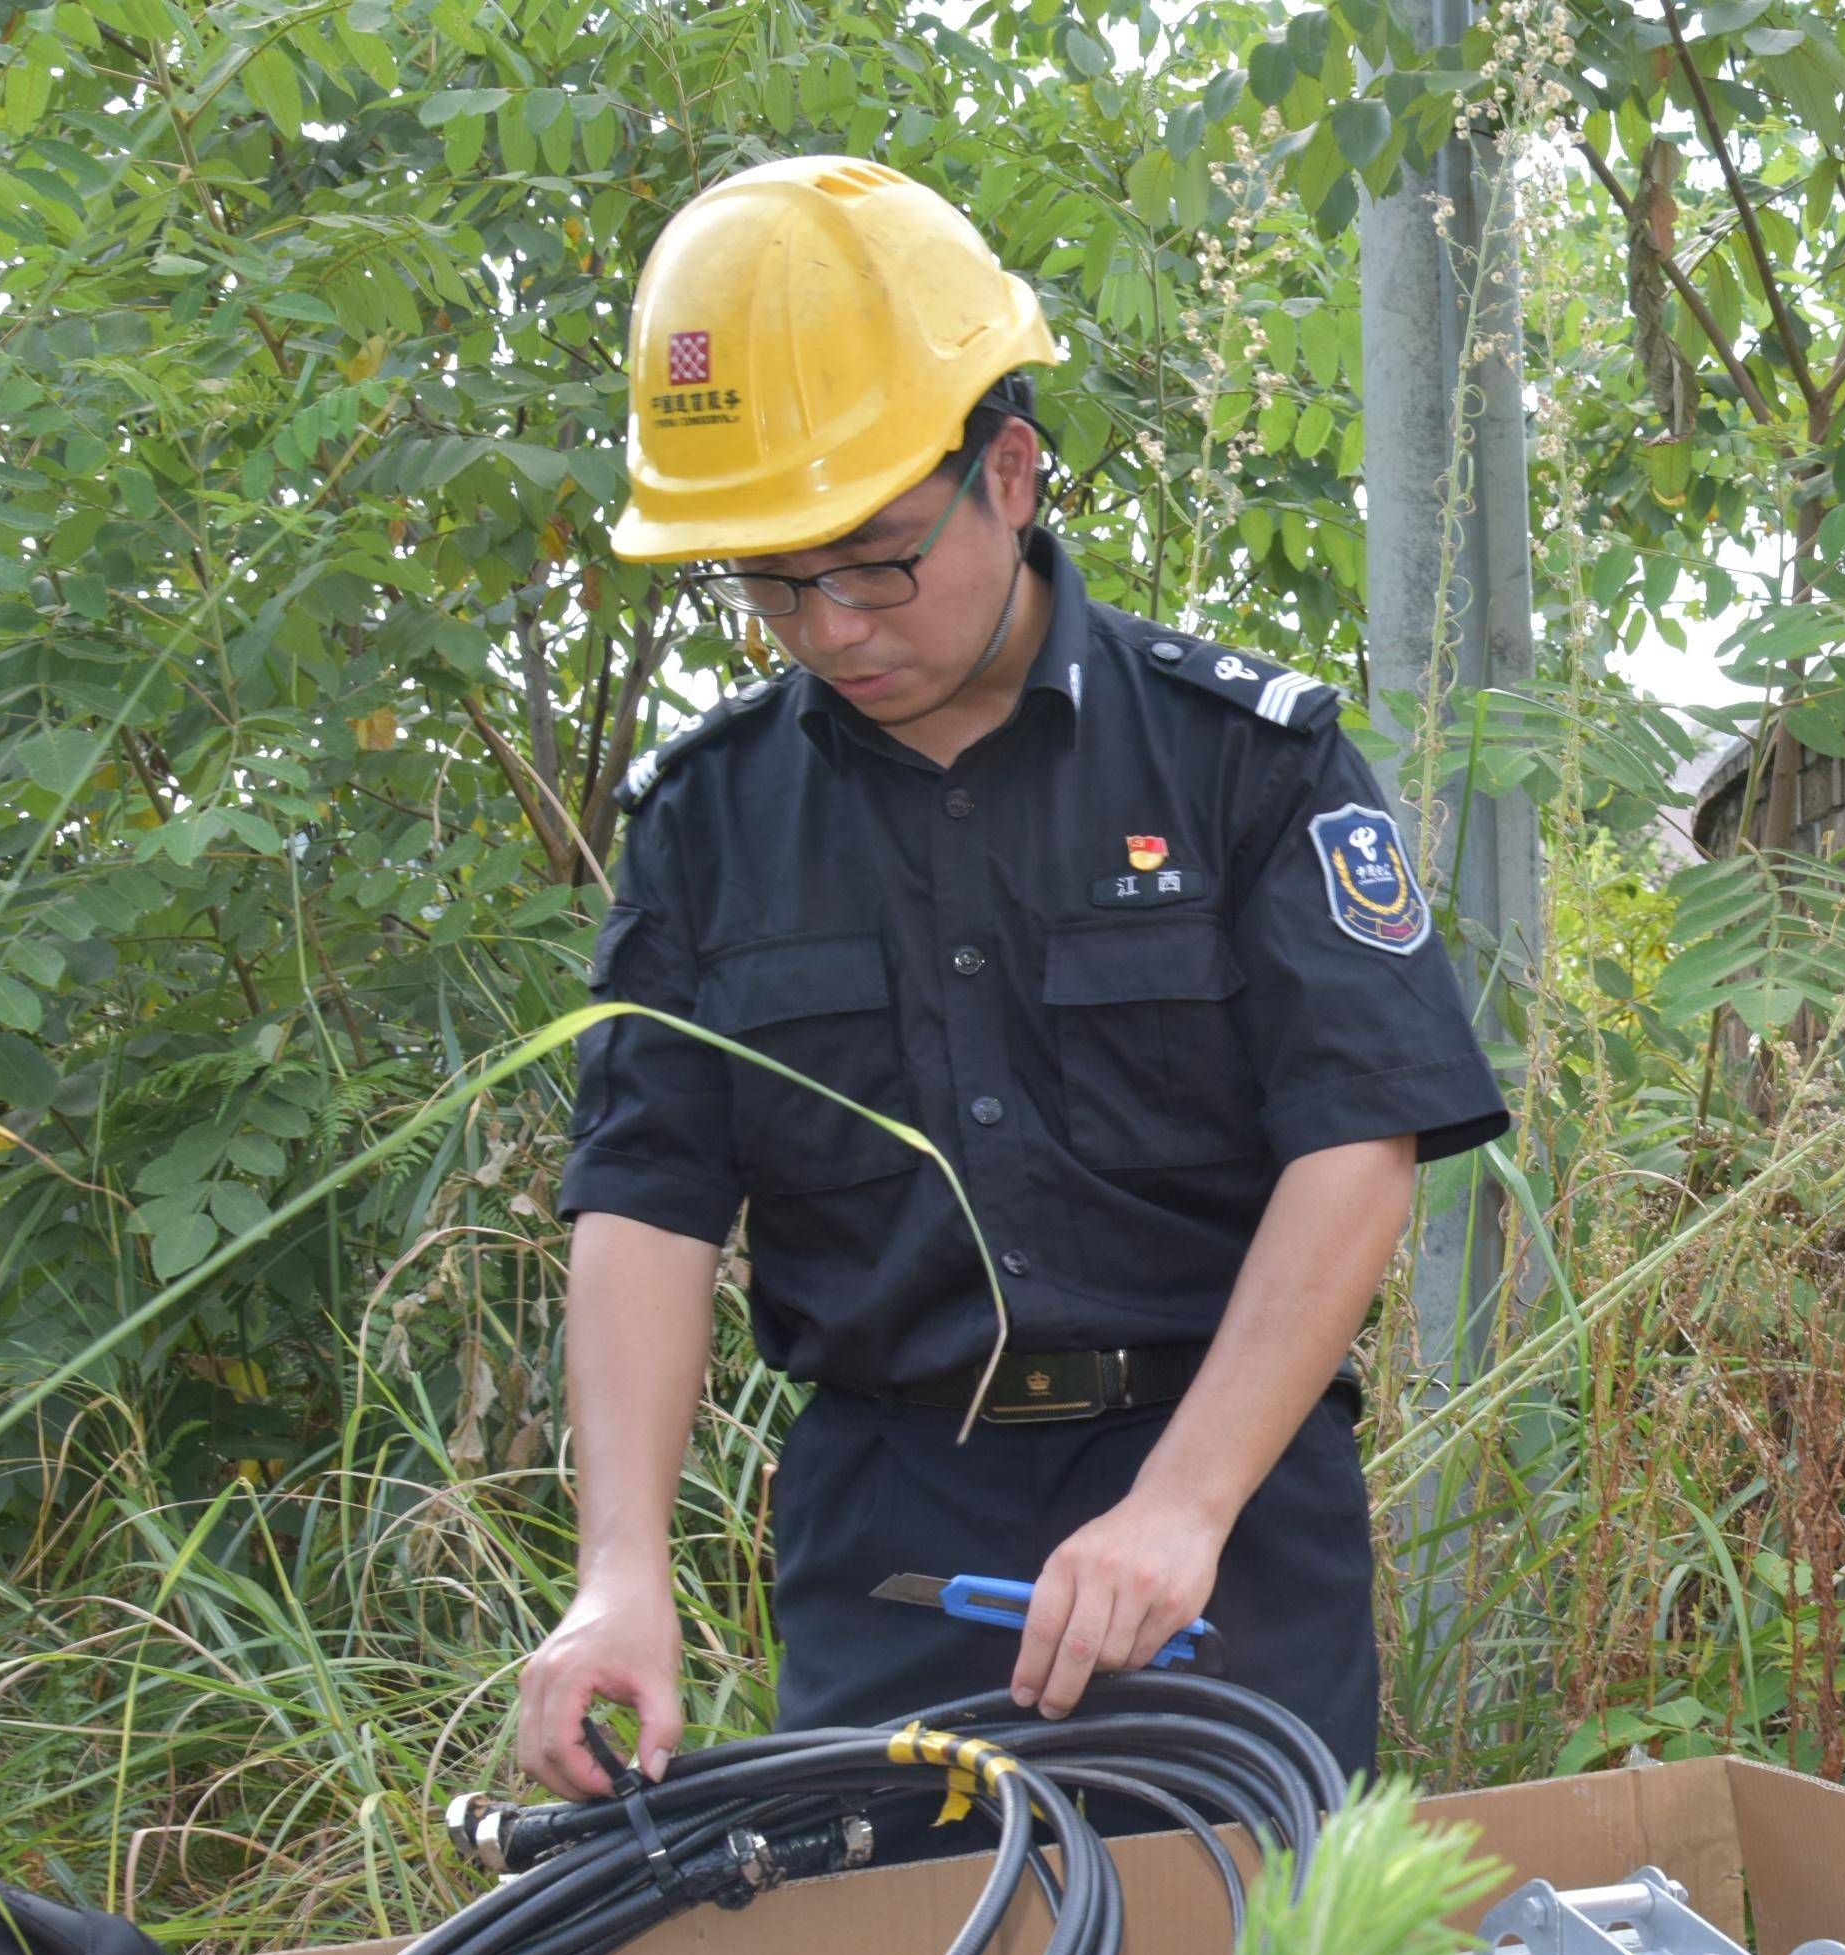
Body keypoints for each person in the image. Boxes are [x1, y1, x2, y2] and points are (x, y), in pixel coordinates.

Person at [512, 159, 1506, 1839]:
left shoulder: (1238, 760)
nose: (826, 629)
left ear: (1013, 470)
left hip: (1224, 1515)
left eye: (877, 564)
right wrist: (620, 1574)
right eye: (765, 582)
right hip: (887, 1537)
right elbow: (645, 1199)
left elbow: (1362, 1141)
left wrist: (1180, 1506)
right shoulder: (710, 822)